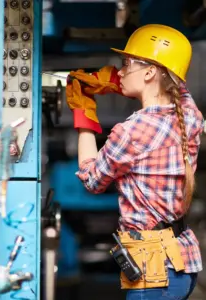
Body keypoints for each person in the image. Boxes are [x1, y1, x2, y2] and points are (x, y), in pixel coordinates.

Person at [65, 24, 205, 300]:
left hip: (154, 270)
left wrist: (83, 112)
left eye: (126, 63)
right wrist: (123, 82)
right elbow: (176, 89)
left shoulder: (132, 131)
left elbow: (92, 180)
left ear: (151, 72)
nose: (120, 70)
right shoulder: (189, 115)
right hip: (182, 262)